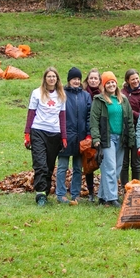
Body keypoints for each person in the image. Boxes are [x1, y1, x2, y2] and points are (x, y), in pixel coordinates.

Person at [89, 71, 134, 206]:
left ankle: (103, 196)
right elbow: (94, 121)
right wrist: (96, 138)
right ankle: (112, 197)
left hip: (121, 138)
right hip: (107, 138)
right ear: (104, 85)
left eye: (112, 82)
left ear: (116, 83)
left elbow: (130, 121)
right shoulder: (99, 100)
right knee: (110, 167)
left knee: (117, 167)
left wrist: (131, 138)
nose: (111, 84)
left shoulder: (123, 100)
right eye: (108, 83)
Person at [25, 67, 67, 206]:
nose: (51, 79)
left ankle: (46, 190)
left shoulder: (61, 95)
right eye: (49, 76)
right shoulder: (37, 93)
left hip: (54, 133)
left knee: (49, 166)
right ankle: (40, 194)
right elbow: (31, 113)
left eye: (54, 76)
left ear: (57, 79)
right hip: (38, 131)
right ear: (45, 78)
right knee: (40, 164)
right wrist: (27, 134)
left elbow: (62, 117)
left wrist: (64, 137)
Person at [57, 67, 90, 204]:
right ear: (69, 80)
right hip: (65, 136)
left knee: (78, 167)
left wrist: (88, 134)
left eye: (78, 79)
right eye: (74, 79)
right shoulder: (62, 94)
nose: (76, 81)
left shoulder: (85, 95)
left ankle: (75, 194)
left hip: (81, 137)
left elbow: (89, 116)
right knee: (62, 167)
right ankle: (61, 194)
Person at [121, 69, 140, 185]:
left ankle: (135, 186)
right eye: (132, 79)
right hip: (124, 129)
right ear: (127, 81)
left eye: (137, 78)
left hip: (137, 129)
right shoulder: (122, 92)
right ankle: (124, 186)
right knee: (124, 162)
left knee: (136, 162)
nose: (135, 81)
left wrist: (128, 111)